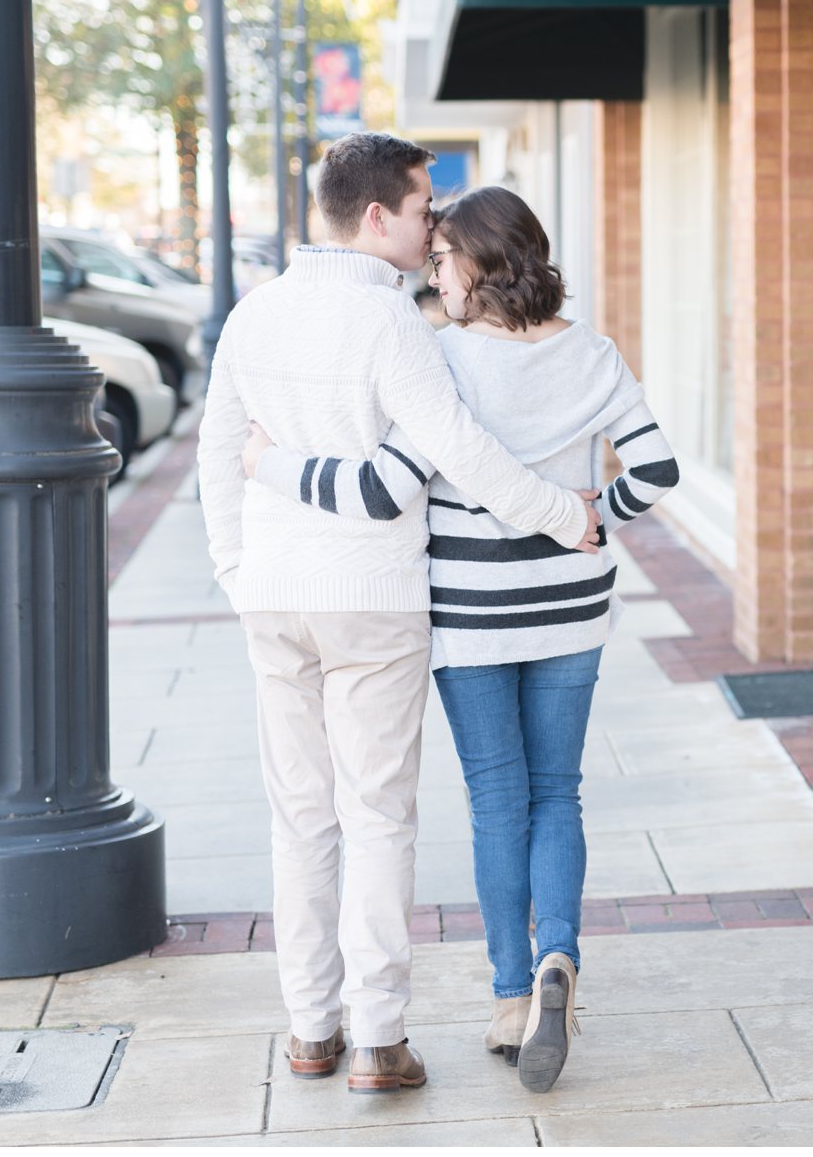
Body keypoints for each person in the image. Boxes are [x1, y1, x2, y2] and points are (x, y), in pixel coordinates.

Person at [241, 185, 679, 1093]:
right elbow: (660, 469)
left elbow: (382, 484)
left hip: (474, 610)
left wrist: (266, 462)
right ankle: (560, 957)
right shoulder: (592, 351)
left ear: (478, 262)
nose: (431, 273)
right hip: (571, 604)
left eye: (442, 260)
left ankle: (513, 999)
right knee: (559, 793)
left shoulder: (444, 361)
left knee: (497, 801)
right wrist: (598, 516)